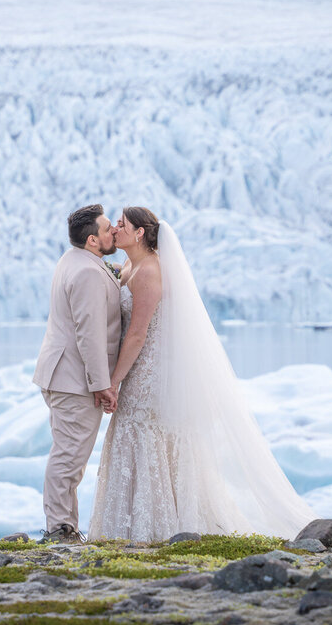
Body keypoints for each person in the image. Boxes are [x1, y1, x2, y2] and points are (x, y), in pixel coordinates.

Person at [88, 207, 316, 541]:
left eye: (123, 224)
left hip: (148, 370)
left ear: (139, 233)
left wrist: (114, 381)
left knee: (143, 431)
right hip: (138, 367)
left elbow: (137, 334)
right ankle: (133, 525)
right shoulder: (129, 266)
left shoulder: (150, 270)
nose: (116, 228)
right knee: (133, 432)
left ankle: (155, 527)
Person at [32, 204, 121, 543]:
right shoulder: (86, 272)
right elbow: (90, 333)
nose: (113, 231)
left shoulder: (74, 260)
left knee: (69, 455)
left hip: (63, 374)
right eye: (108, 227)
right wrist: (101, 385)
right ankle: (60, 528)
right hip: (73, 380)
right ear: (93, 240)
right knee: (69, 458)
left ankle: (65, 526)